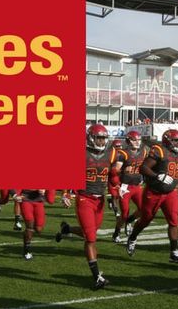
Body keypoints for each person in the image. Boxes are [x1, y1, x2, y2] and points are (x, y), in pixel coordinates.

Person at [53, 124, 112, 290]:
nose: (102, 141)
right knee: (91, 238)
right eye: (99, 138)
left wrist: (115, 191)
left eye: (103, 138)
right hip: (85, 198)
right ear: (91, 137)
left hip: (100, 200)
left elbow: (113, 176)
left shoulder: (110, 153)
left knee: (91, 231)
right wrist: (65, 193)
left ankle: (68, 229)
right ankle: (97, 277)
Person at [126, 129, 178, 264]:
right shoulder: (159, 150)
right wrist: (157, 175)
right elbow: (143, 168)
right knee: (146, 219)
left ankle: (174, 251)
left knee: (174, 220)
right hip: (153, 191)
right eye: (175, 140)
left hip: (170, 192)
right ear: (167, 140)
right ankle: (133, 236)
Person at [111, 131, 146, 243]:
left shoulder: (143, 151)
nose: (137, 142)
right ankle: (116, 232)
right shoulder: (123, 153)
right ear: (128, 140)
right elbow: (114, 171)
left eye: (138, 140)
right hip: (125, 187)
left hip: (137, 186)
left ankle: (129, 221)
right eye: (134, 140)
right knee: (124, 213)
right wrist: (122, 170)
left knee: (143, 210)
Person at [16, 189, 56, 260]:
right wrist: (16, 195)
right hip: (26, 200)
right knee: (29, 226)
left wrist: (46, 191)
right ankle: (26, 251)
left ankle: (28, 234)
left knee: (39, 229)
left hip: (39, 202)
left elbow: (51, 200)